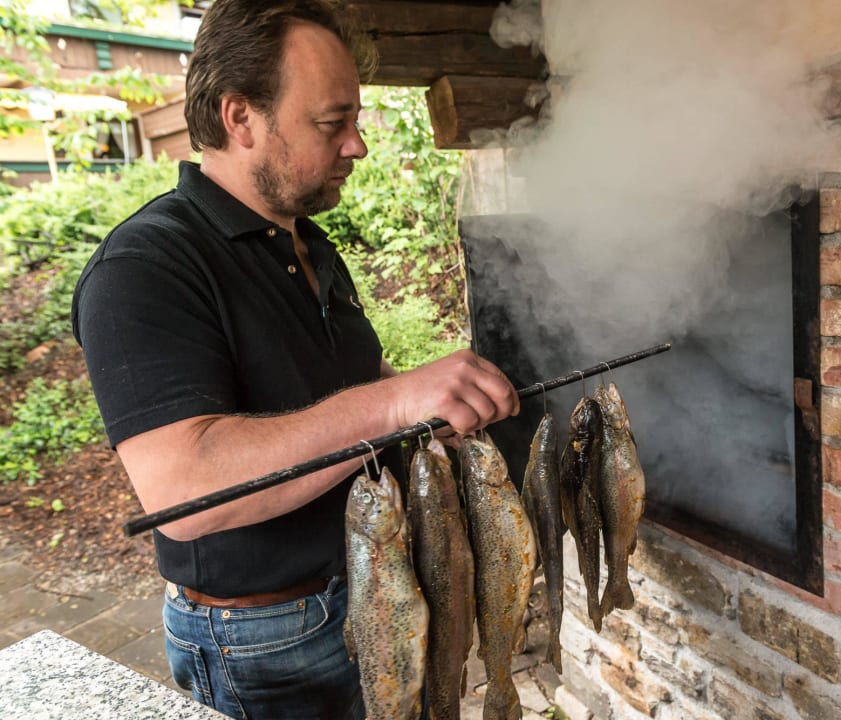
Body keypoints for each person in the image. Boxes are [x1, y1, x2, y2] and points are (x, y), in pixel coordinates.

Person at [70, 1, 519, 718]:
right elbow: (182, 489)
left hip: (373, 585)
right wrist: (393, 404)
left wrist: (423, 403)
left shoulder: (304, 243)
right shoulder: (145, 265)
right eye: (330, 123)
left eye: (355, 123)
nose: (356, 147)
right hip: (264, 639)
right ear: (240, 117)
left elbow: (325, 388)